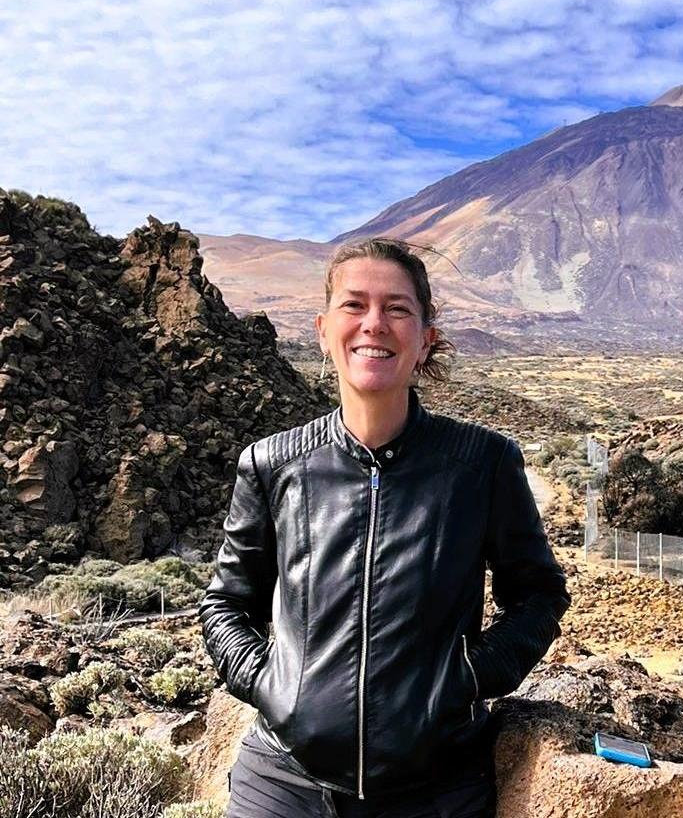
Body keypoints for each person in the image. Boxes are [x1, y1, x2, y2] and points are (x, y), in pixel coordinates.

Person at [200, 238, 571, 817]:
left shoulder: (482, 464)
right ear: (324, 331)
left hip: (438, 787)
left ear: (424, 340)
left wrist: (469, 677)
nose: (374, 323)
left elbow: (538, 593)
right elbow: (226, 603)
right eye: (355, 305)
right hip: (283, 784)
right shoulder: (272, 464)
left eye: (397, 309)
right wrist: (272, 684)